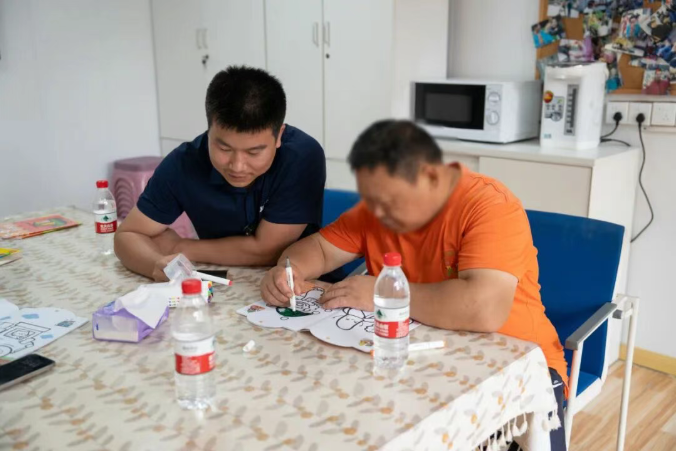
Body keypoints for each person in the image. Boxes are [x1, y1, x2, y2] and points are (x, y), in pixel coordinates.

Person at [260, 120, 568, 450]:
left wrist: (382, 295)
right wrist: (288, 269)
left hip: (520, 372)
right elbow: (320, 250)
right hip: (422, 363)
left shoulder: (488, 205)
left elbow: (484, 308)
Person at [115, 66, 326, 281]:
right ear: (209, 131)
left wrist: (180, 247)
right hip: (218, 281)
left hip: (299, 284)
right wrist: (154, 264)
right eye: (224, 149)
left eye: (254, 152)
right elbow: (128, 234)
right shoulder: (184, 163)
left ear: (279, 135)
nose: (238, 166)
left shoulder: (301, 156)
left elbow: (270, 251)